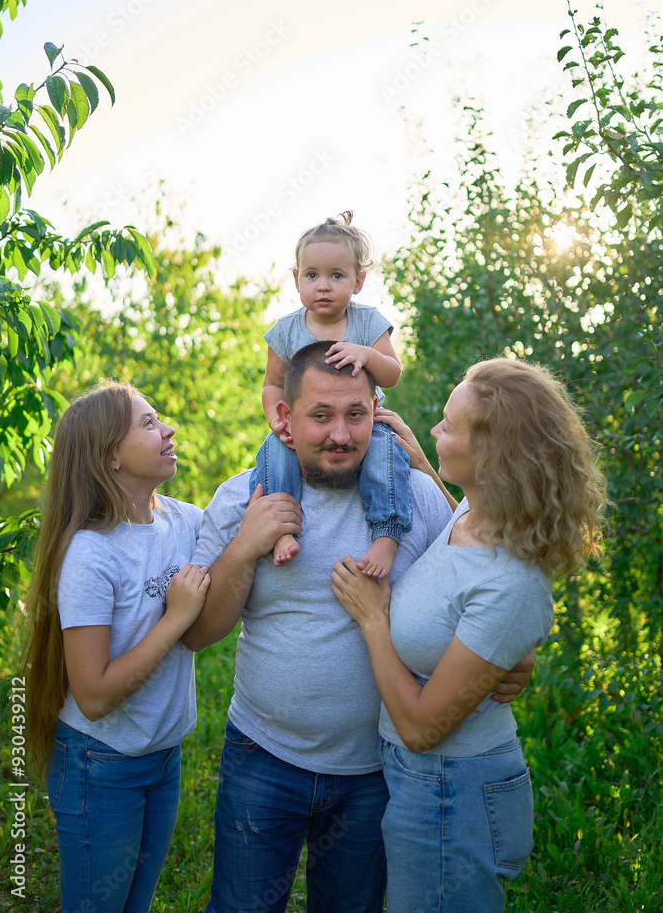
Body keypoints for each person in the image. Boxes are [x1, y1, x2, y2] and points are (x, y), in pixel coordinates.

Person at [183, 342, 533, 913]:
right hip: (262, 755)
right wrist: (245, 547)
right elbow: (201, 636)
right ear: (285, 419)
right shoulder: (242, 498)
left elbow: (479, 586)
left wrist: (515, 656)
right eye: (320, 416)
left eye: (355, 415)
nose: (340, 435)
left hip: (376, 768)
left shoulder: (417, 497)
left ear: (376, 409)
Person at [330, 358, 607, 913]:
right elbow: (455, 571)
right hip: (425, 784)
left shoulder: (509, 580)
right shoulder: (474, 514)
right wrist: (417, 459)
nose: (433, 431)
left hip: (451, 790)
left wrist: (372, 619)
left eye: (447, 427)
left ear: (492, 457)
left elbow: (421, 727)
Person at [22, 382, 211, 913]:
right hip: (99, 763)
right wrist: (174, 620)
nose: (168, 429)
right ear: (110, 456)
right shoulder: (91, 553)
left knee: (136, 904)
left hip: (162, 756)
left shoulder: (186, 522)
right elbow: (94, 696)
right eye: (148, 424)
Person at [252, 210, 413, 577]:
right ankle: (281, 530)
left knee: (386, 454)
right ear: (296, 280)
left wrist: (367, 354)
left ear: (358, 282)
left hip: (362, 426)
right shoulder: (285, 330)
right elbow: (273, 384)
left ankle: (387, 533)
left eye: (336, 276)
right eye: (312, 275)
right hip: (303, 429)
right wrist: (277, 421)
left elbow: (392, 374)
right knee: (272, 456)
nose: (323, 286)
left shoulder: (367, 321)